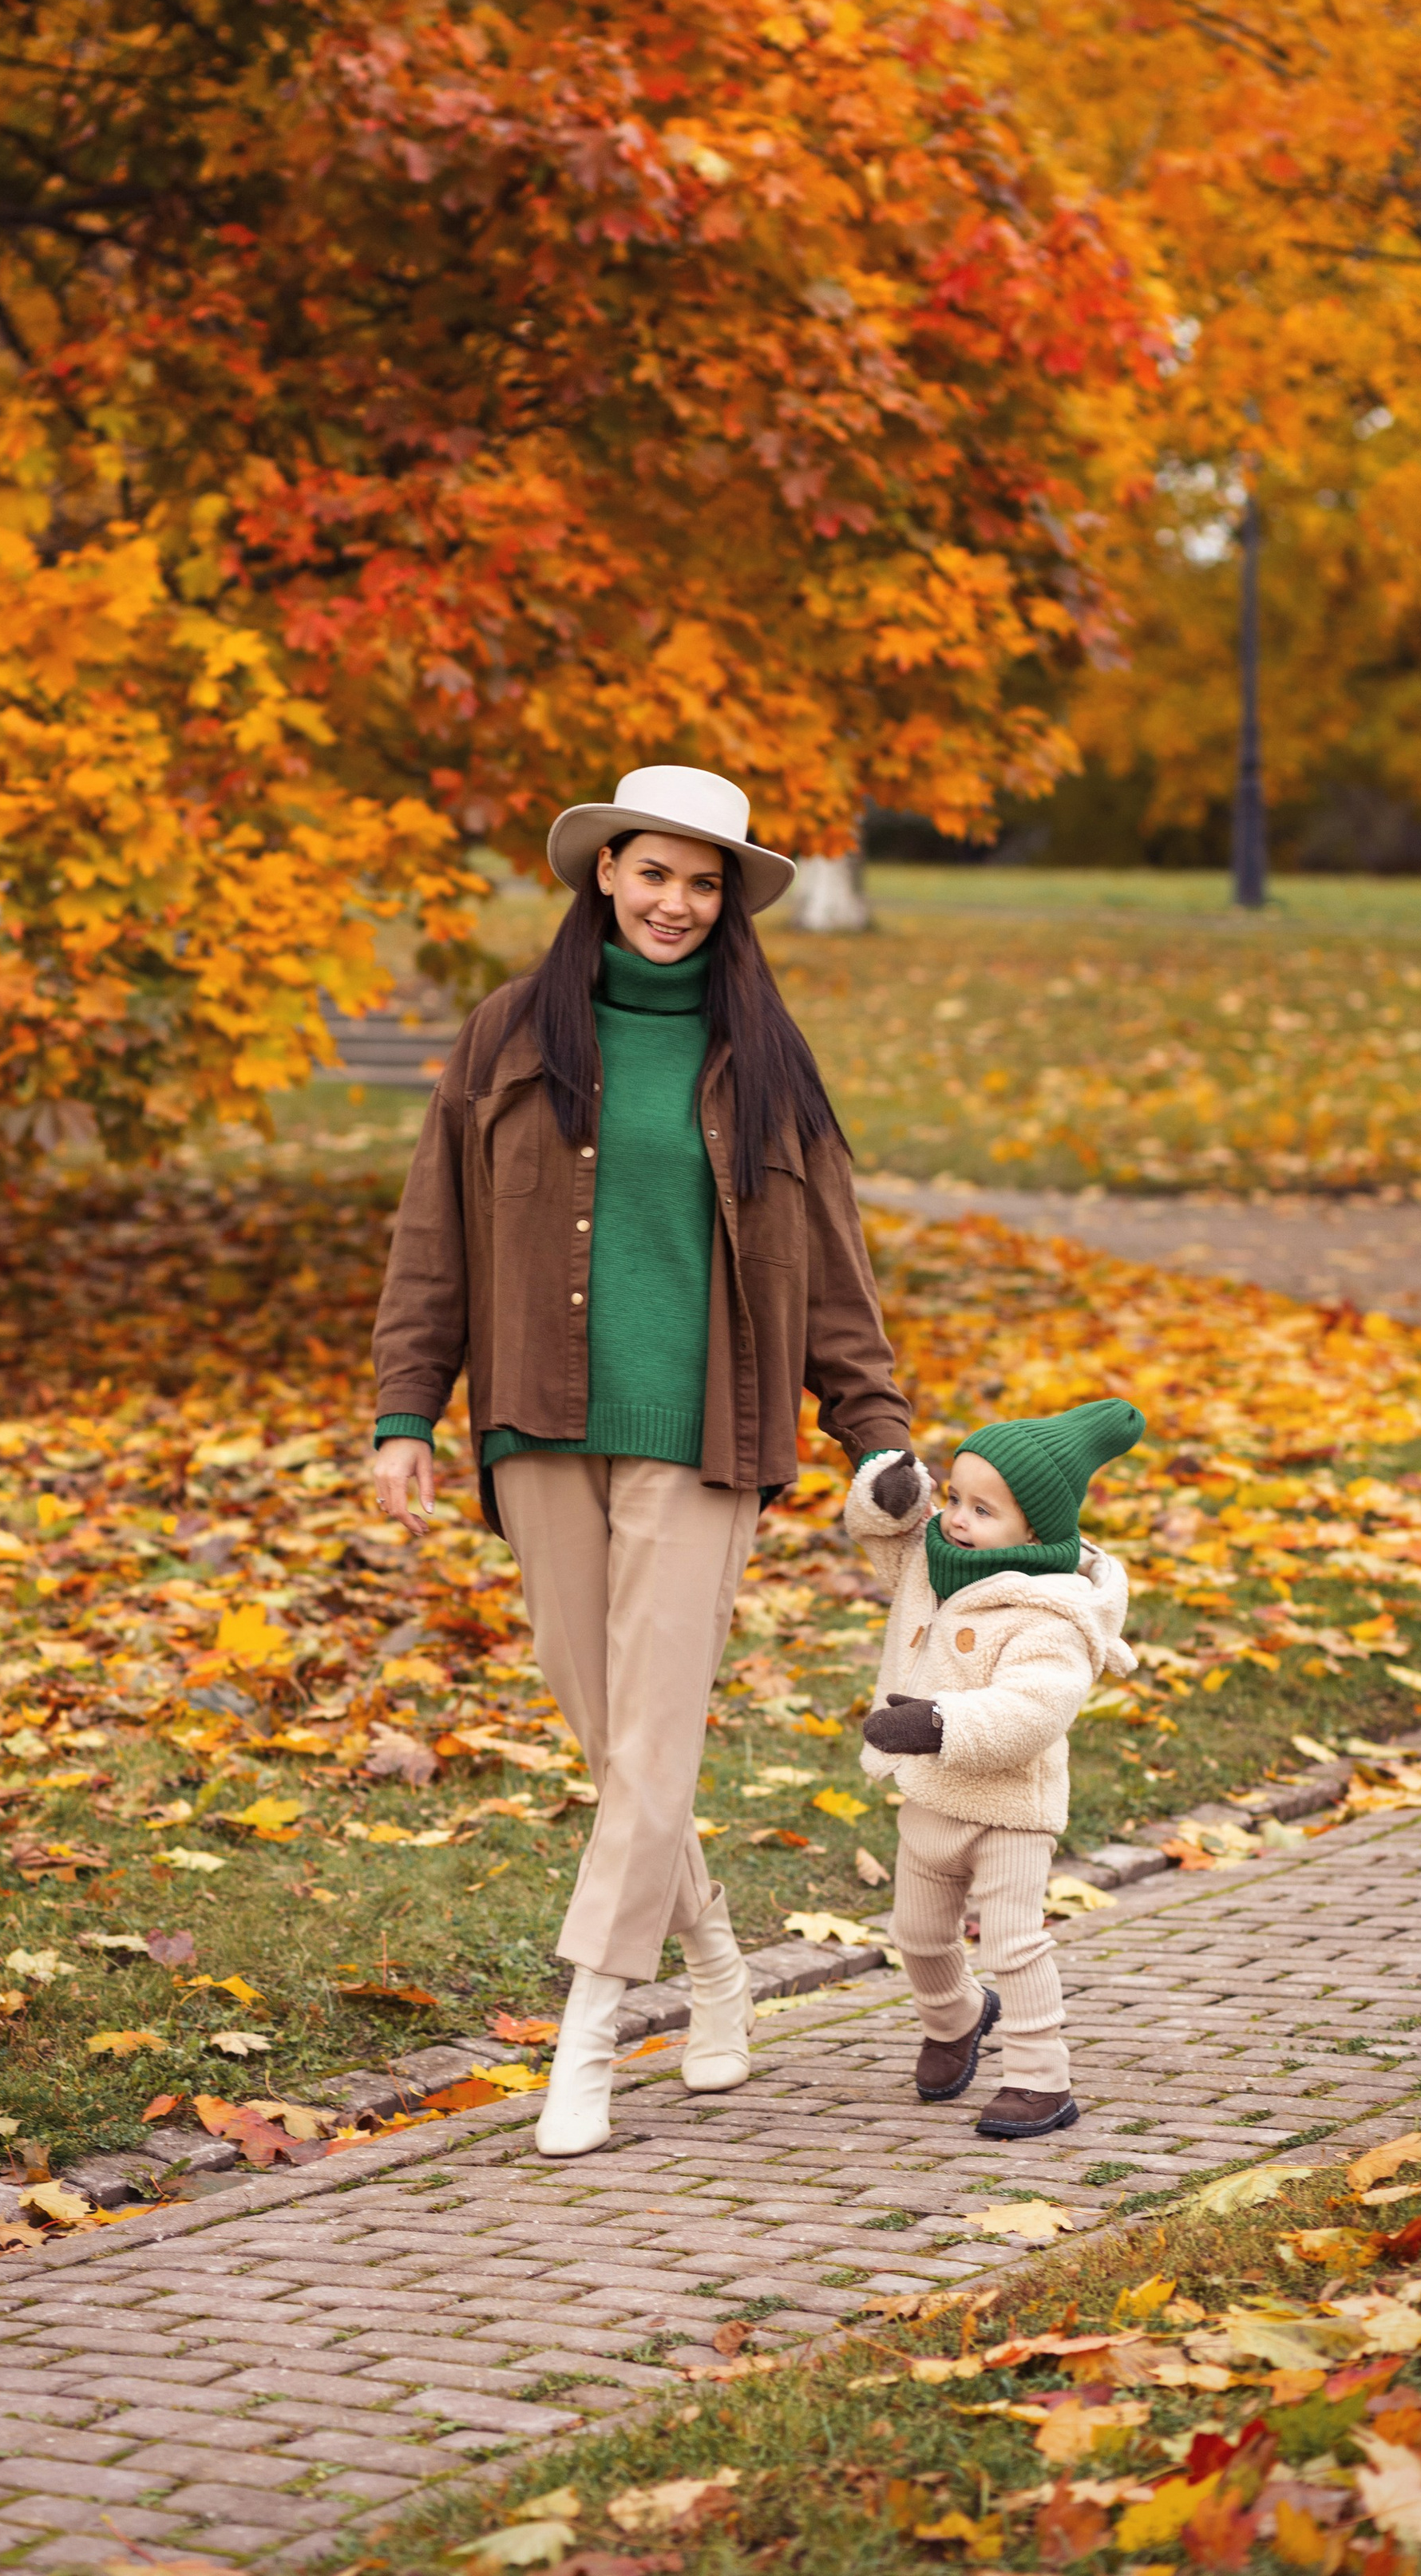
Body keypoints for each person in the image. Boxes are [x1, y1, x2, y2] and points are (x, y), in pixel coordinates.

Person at [371, 765, 913, 2157]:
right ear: (604, 871)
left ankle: (591, 2035)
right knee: (623, 1750)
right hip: (537, 1431)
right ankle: (721, 1960)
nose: (676, 901)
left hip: (704, 1440)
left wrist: (878, 1431)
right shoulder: (507, 1036)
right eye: (654, 871)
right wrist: (404, 1410)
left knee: (655, 1736)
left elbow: (834, 1272)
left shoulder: (769, 1061)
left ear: (728, 899)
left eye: (703, 879)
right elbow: (433, 1234)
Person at [845, 1399, 1143, 2138]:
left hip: (1010, 1807)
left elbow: (1034, 1710)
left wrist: (937, 1723)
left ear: (1034, 1529)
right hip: (931, 1796)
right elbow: (887, 1539)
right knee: (915, 1933)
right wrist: (892, 1499)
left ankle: (1042, 2080)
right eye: (954, 1497)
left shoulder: (1052, 1614)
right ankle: (957, 2017)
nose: (957, 1518)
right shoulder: (937, 1563)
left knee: (1013, 1942)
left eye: (983, 1508)